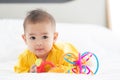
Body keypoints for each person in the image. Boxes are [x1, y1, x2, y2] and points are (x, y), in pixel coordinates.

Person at [14, 9, 78, 73]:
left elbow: (73, 67)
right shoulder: (24, 57)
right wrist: (29, 71)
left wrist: (59, 69)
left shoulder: (62, 54)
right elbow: (18, 69)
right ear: (25, 39)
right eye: (33, 38)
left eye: (44, 37)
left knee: (83, 61)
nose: (38, 43)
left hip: (70, 51)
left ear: (54, 37)